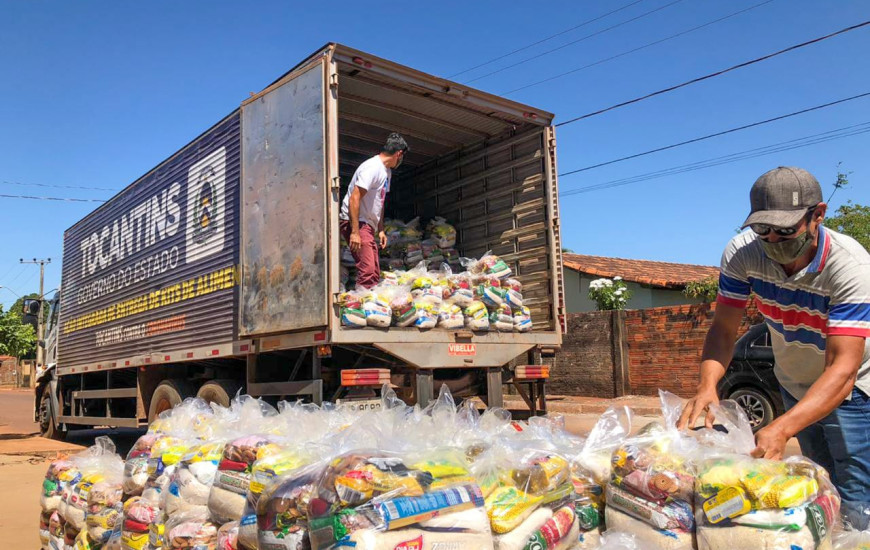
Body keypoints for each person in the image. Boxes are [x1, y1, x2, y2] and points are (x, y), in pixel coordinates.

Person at [678, 166, 870, 529]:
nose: (772, 240)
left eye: (785, 230)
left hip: (854, 390)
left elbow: (843, 368)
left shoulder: (850, 266)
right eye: (762, 229)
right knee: (818, 481)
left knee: (857, 491)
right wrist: (707, 386)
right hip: (793, 381)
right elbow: (723, 328)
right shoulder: (743, 254)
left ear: (818, 215)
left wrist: (782, 428)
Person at [339, 132, 409, 289]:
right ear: (398, 153)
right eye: (402, 156)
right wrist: (355, 232)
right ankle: (360, 310)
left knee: (374, 271)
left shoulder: (386, 172)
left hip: (367, 225)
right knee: (368, 271)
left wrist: (381, 229)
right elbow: (354, 198)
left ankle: (365, 304)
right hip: (356, 222)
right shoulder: (372, 167)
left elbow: (380, 201)